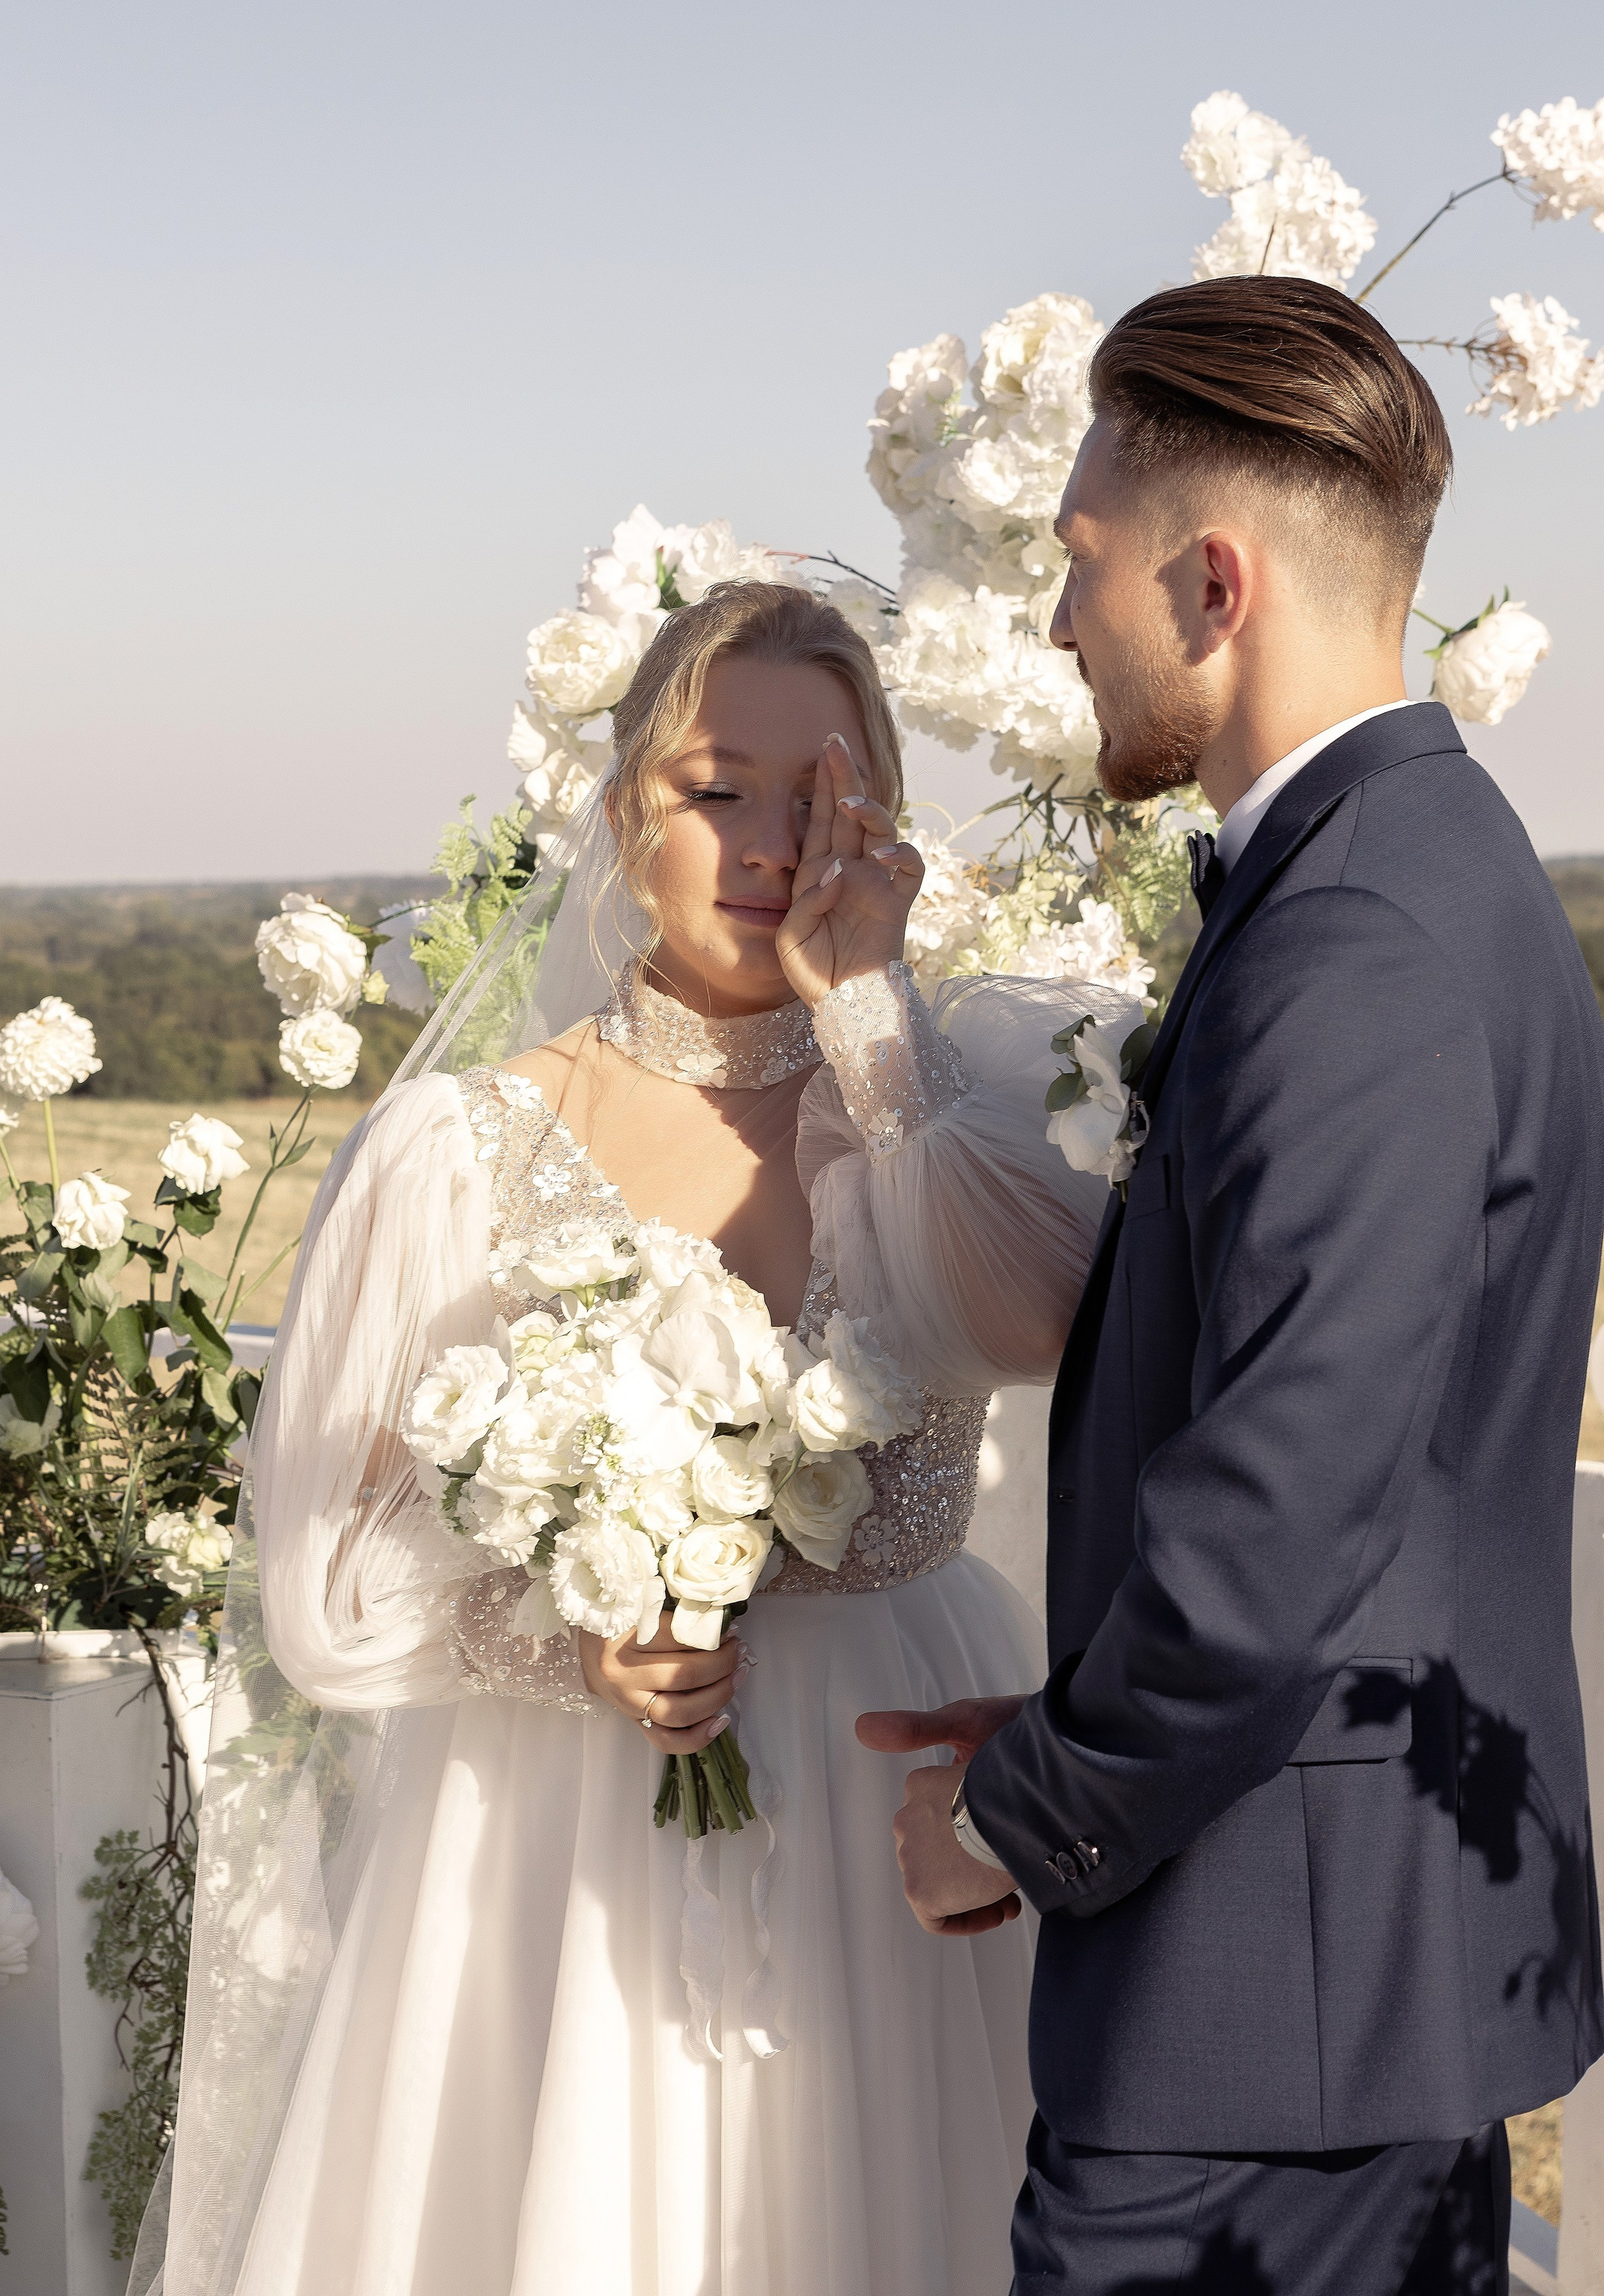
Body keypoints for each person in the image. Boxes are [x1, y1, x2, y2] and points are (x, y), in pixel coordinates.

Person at [133, 581, 1114, 2296]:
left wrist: (874, 1026)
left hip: (896, 1839)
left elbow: (1034, 1322)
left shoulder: (939, 1110)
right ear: (619, 818)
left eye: (825, 798)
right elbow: (327, 1587)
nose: (767, 843)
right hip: (547, 1854)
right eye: (717, 788)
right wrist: (564, 1638)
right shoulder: (461, 1150)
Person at [867, 274, 1604, 2294]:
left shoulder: (1353, 939)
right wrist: (1073, 1697)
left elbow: (1284, 1506)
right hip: (1338, 1982)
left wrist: (1028, 1809)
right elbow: (1386, 1492)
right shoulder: (1436, 868)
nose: (1048, 621)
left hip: (1258, 2037)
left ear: (1210, 583)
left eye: (1077, 565)